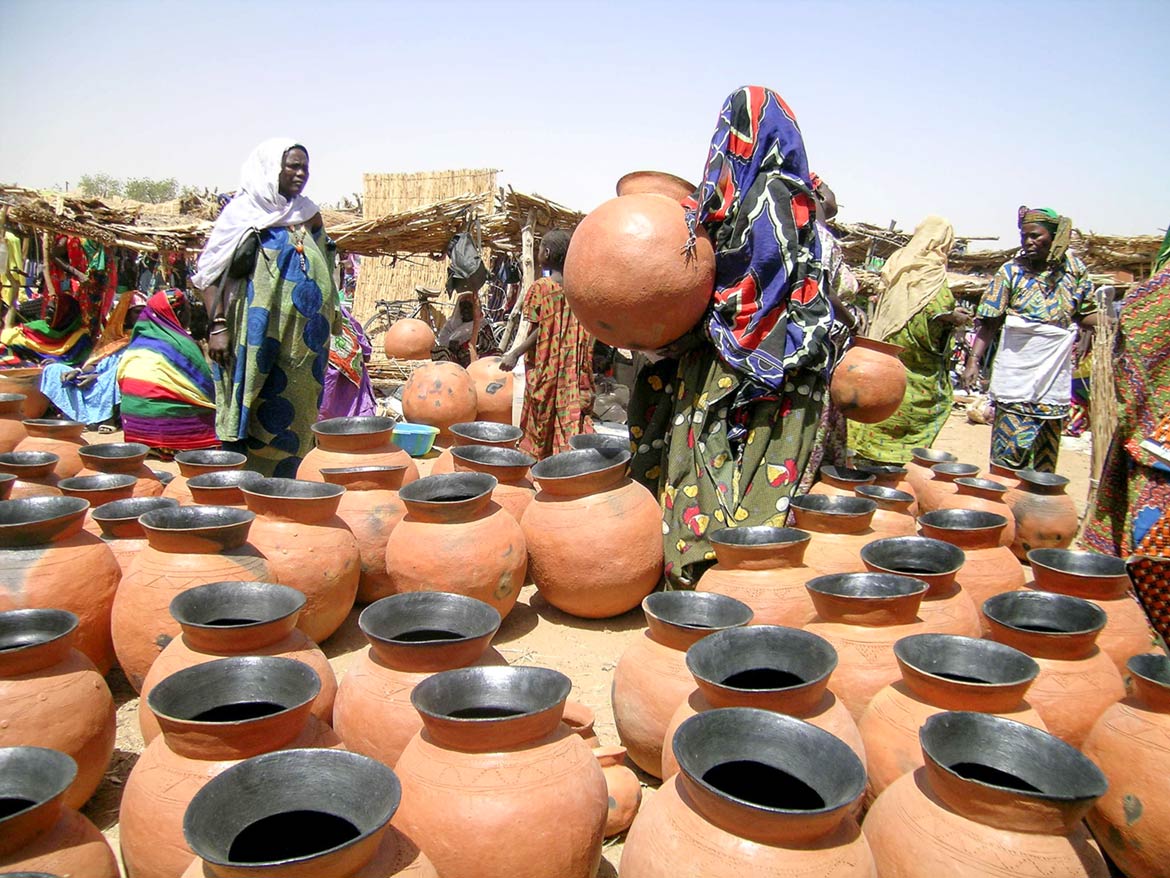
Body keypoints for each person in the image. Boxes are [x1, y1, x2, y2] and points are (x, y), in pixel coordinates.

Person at [628, 85, 833, 589]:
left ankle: (702, 574)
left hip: (733, 362)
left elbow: (752, 284)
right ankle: (741, 582)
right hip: (785, 362)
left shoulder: (755, 200)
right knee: (752, 470)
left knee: (708, 463)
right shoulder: (799, 200)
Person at [191, 139, 338, 477]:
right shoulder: (243, 214)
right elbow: (207, 277)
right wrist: (218, 327)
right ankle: (245, 484)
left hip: (305, 341)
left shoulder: (308, 213)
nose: (301, 173)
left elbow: (326, 262)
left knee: (298, 408)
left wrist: (333, 316)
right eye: (293, 166)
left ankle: (289, 482)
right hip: (254, 333)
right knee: (253, 401)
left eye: (305, 167)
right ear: (272, 168)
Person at [961, 207, 1098, 472]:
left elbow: (1086, 313)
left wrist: (1115, 320)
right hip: (1017, 379)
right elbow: (990, 322)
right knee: (1007, 461)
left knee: (1044, 469)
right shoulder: (1010, 272)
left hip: (1053, 381)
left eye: (1036, 236)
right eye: (1025, 236)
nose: (1028, 242)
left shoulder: (1074, 272)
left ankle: (1036, 507)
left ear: (1055, 237)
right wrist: (973, 360)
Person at [850, 216, 970, 464]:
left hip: (884, 350)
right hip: (917, 361)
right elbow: (932, 313)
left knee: (879, 396)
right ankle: (895, 462)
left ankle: (864, 455)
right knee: (914, 400)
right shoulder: (933, 273)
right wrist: (953, 318)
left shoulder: (898, 261)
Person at [499, 229, 595, 458]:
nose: (539, 251)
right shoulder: (578, 289)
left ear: (548, 253)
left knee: (539, 416)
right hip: (571, 368)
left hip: (547, 365)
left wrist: (514, 353)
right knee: (568, 413)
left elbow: (538, 330)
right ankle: (566, 461)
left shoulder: (541, 288)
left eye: (540, 248)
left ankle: (538, 462)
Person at [799, 174, 861, 492]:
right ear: (819, 193)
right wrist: (852, 321)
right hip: (817, 358)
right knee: (810, 436)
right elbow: (823, 290)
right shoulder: (818, 236)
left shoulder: (802, 231)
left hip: (811, 354)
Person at [117, 288, 218, 455]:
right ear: (177, 313)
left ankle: (151, 441)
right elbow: (204, 387)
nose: (190, 315)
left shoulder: (136, 344)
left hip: (136, 431)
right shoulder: (180, 344)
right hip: (171, 432)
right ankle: (176, 440)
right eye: (188, 310)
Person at [39, 290, 147, 428]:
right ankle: (80, 415)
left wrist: (97, 377)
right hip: (94, 380)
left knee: (117, 374)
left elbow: (134, 367)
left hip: (115, 383)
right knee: (53, 369)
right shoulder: (112, 337)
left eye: (145, 311)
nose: (143, 316)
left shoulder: (145, 337)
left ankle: (107, 418)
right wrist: (79, 371)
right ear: (125, 314)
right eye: (137, 312)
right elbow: (95, 362)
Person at [318, 302, 377, 419]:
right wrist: (365, 351)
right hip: (348, 360)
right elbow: (356, 328)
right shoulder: (332, 301)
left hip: (331, 361)